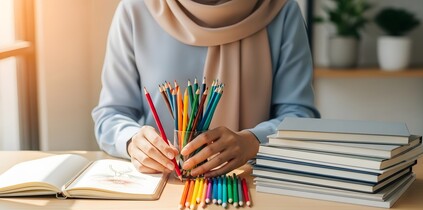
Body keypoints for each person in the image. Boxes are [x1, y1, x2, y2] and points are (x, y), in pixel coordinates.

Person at [92, 0, 320, 178]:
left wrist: (252, 142)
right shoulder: (136, 9)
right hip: (164, 188)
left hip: (251, 183)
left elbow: (300, 117)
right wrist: (134, 142)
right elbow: (111, 115)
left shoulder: (282, 10)